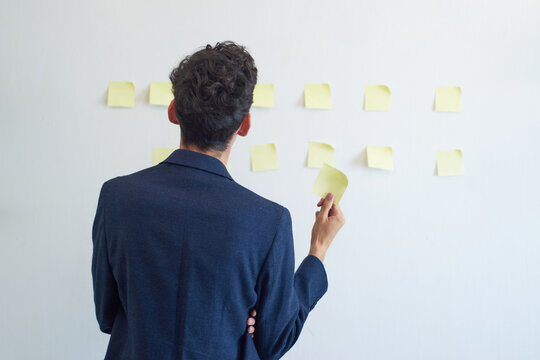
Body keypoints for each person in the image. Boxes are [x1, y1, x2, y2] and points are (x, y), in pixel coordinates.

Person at [92, 41, 345, 360]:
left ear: (173, 112)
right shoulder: (269, 221)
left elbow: (106, 316)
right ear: (245, 125)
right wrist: (317, 250)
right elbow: (273, 340)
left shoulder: (116, 197)